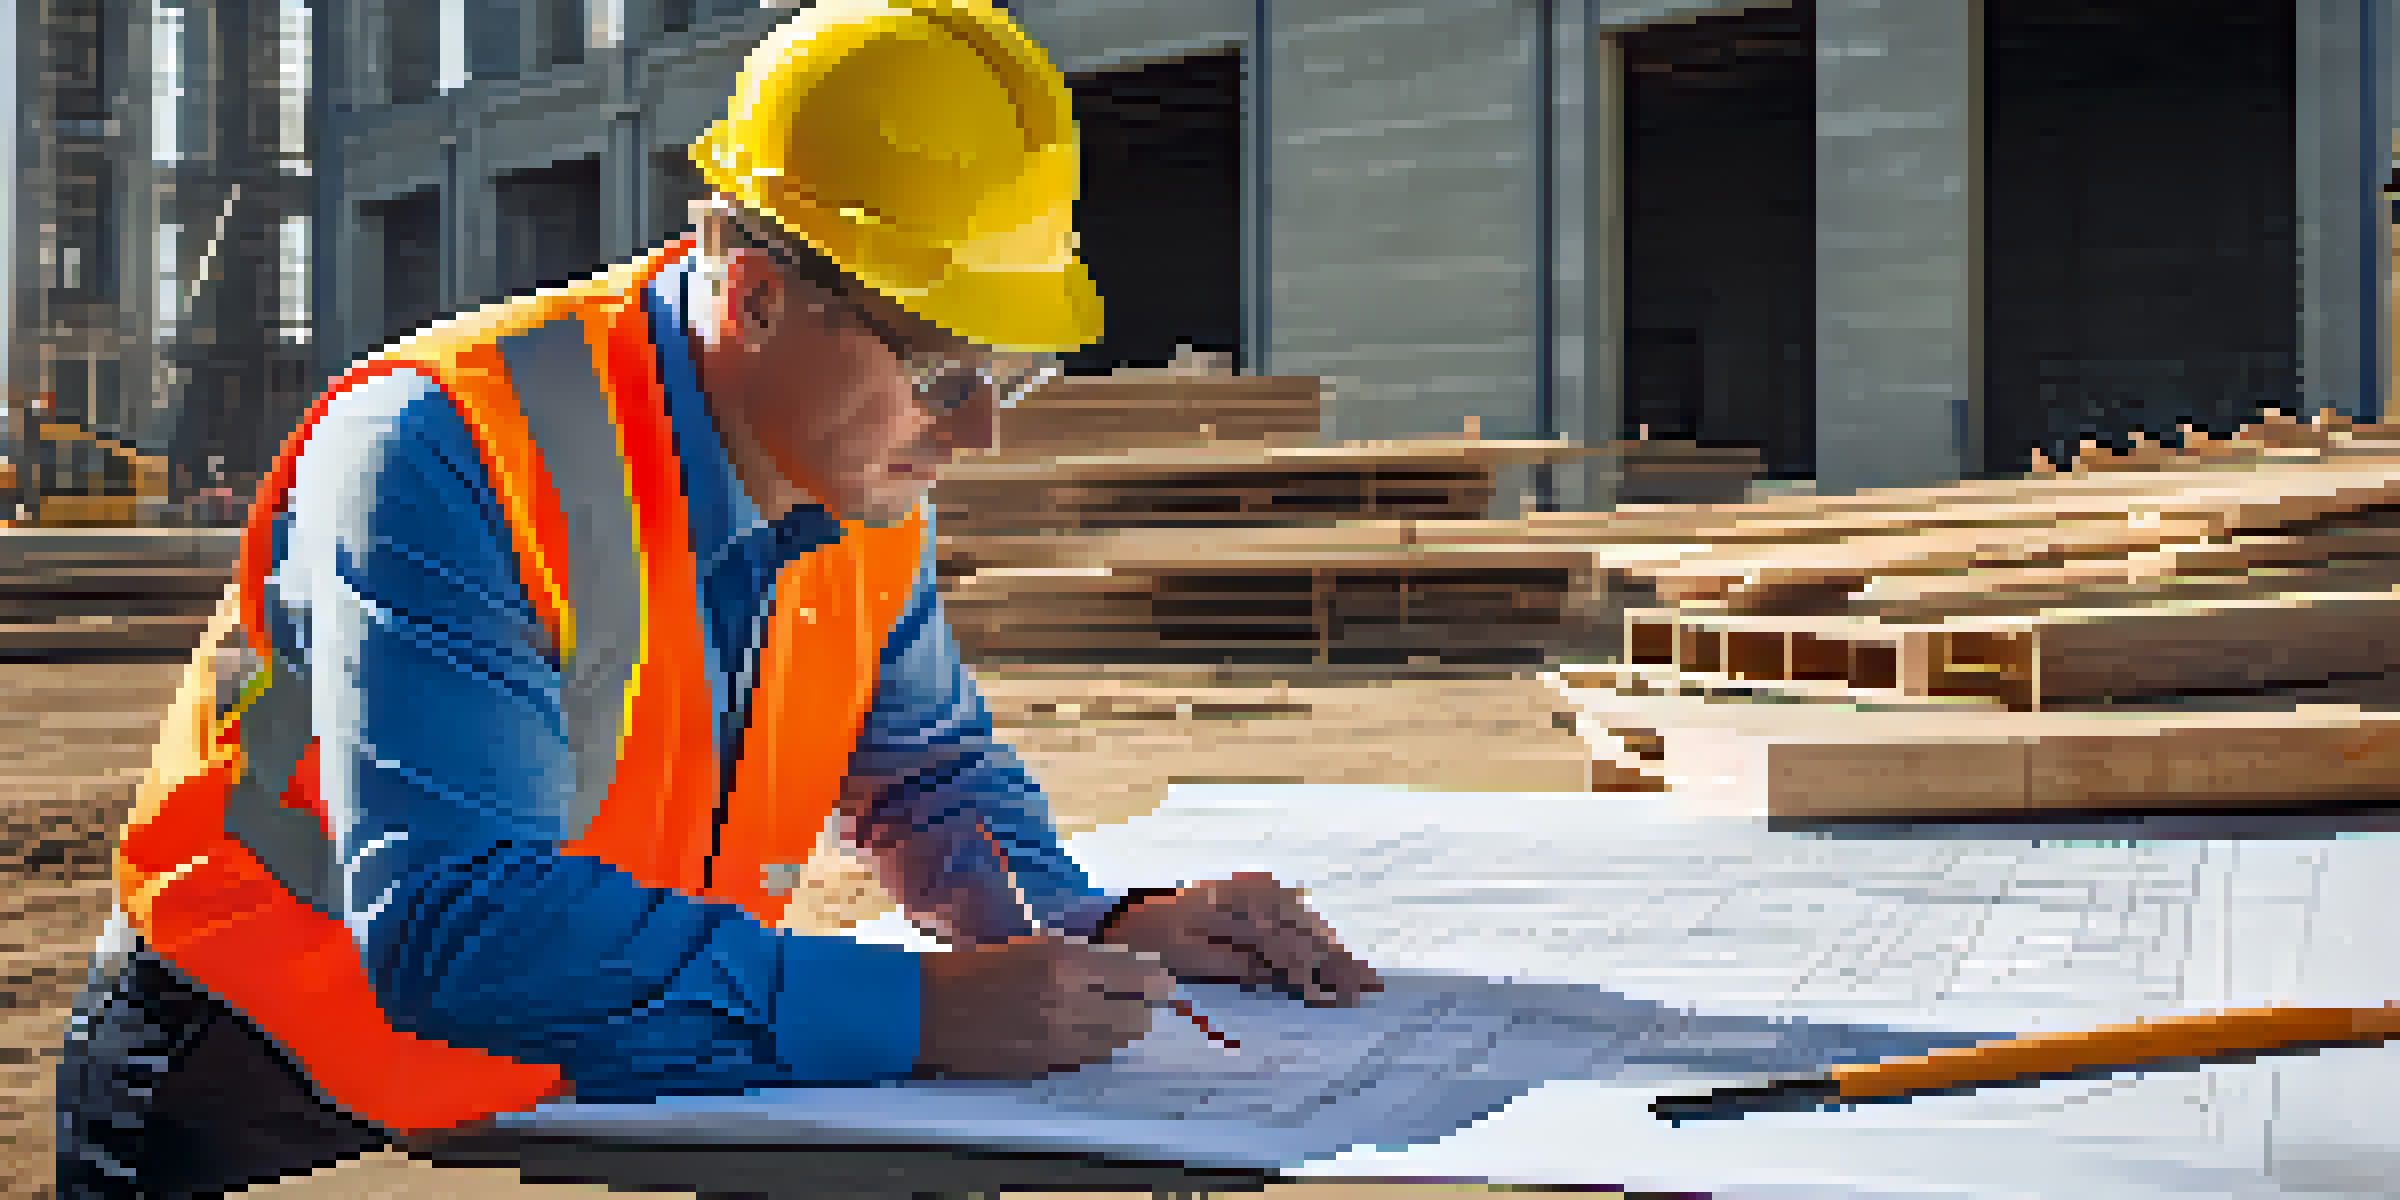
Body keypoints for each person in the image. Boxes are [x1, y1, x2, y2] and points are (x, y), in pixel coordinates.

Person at [54, 1, 1378, 1194]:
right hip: (267, 1096)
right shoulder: (450, 449)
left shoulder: (860, 481)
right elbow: (457, 930)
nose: (977, 433)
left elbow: (926, 777)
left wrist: (1096, 925)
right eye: (943, 369)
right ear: (751, 295)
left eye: (1008, 373)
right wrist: (920, 1017)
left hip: (577, 1087)